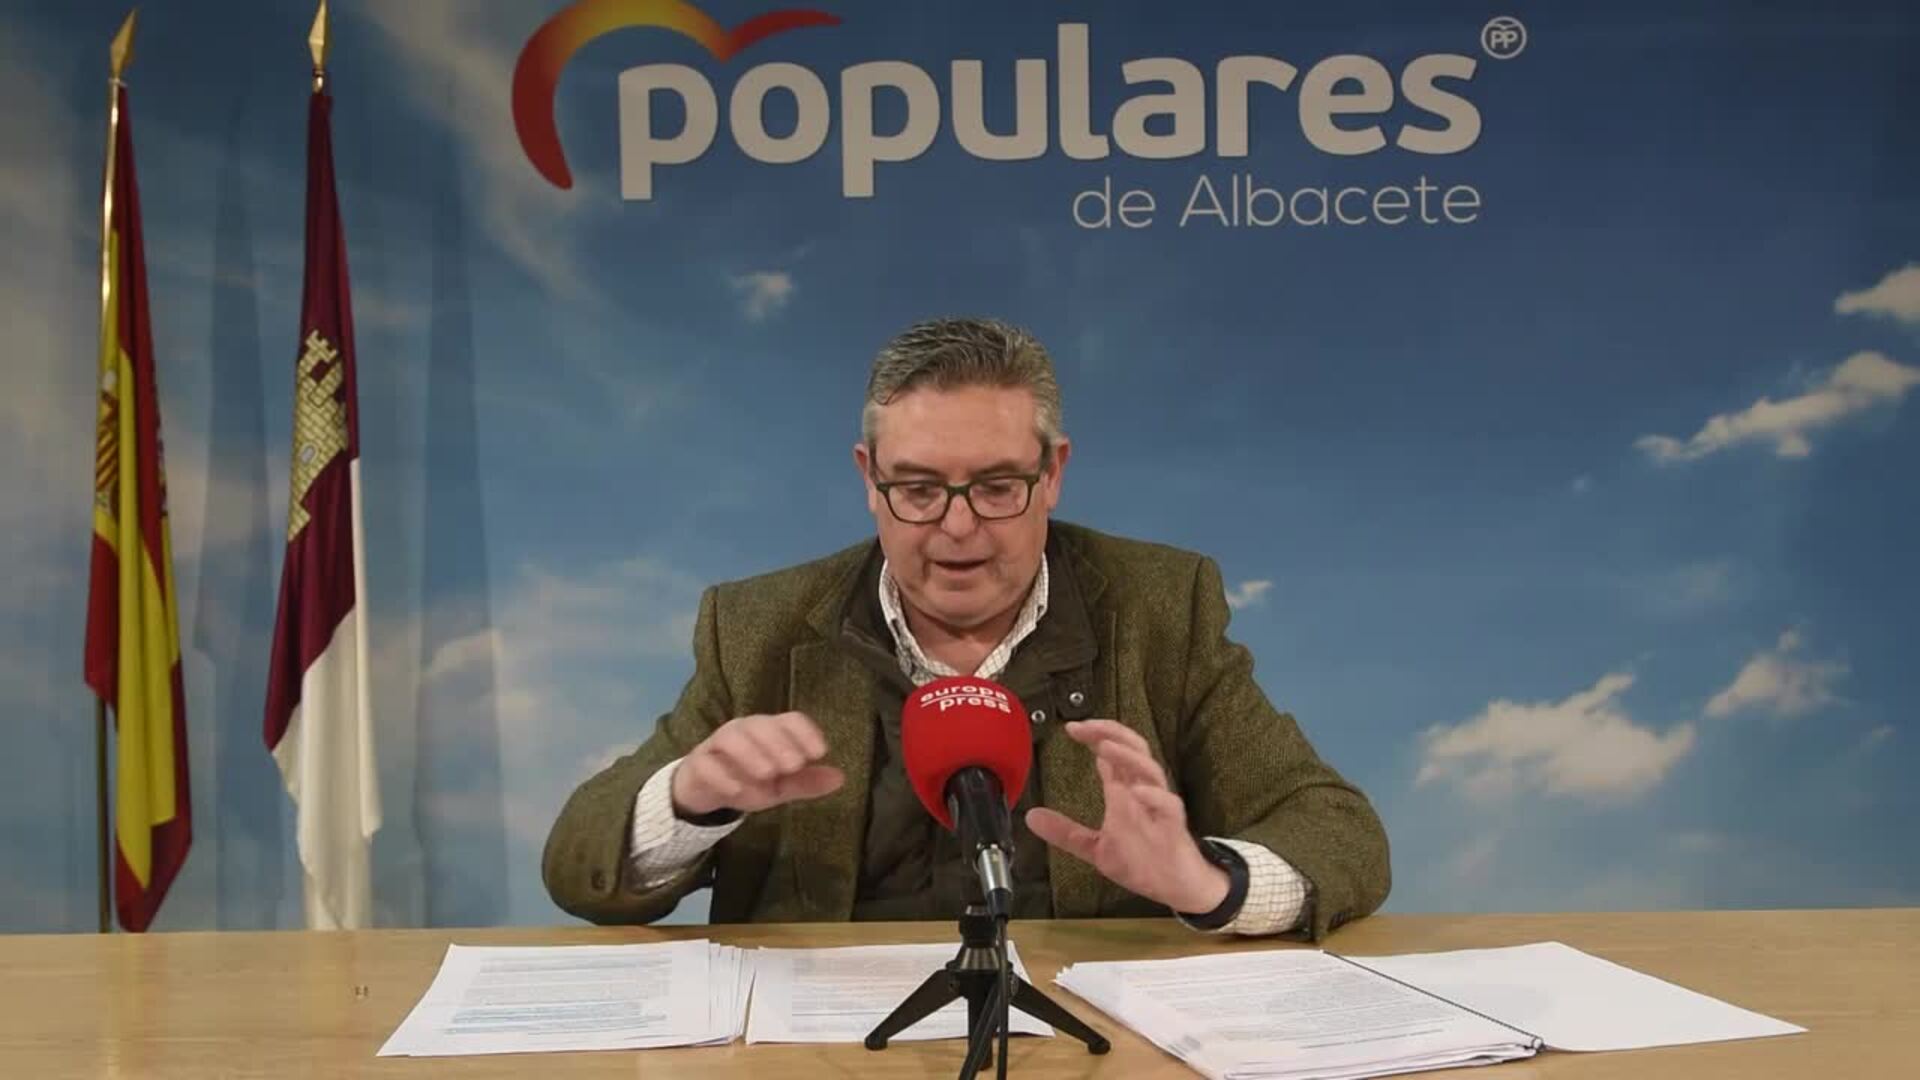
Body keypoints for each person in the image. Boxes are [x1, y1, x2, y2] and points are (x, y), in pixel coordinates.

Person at [542, 317, 1390, 940]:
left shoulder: (1161, 608)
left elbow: (1340, 833)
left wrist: (1206, 882)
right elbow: (577, 867)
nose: (957, 528)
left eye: (995, 487)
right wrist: (691, 799)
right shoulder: (758, 627)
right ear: (868, 479)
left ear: (1052, 474)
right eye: (918, 490)